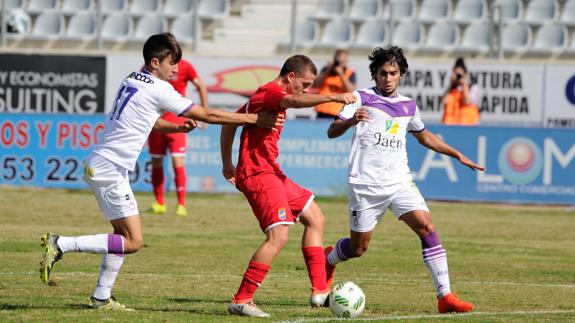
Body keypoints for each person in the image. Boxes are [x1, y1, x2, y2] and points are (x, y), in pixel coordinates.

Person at [39, 33, 282, 311]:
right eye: (172, 63)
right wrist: (254, 119)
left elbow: (149, 121)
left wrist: (177, 128)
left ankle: (101, 297)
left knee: (120, 235)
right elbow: (208, 115)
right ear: (155, 62)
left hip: (103, 164)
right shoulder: (159, 88)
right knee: (133, 241)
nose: (176, 70)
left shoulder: (132, 78)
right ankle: (61, 244)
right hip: (110, 168)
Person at [324, 46, 485, 314]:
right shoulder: (359, 97)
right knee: (358, 247)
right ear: (374, 74)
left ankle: (445, 296)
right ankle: (329, 258)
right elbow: (331, 130)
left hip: (399, 182)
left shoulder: (409, 105)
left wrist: (457, 155)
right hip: (365, 184)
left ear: (401, 75)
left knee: (426, 226)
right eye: (383, 73)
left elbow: (424, 136)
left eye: (393, 73)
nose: (387, 78)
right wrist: (351, 121)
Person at [220, 55, 356, 318]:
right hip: (258, 173)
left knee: (315, 217)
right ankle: (242, 299)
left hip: (271, 171)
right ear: (290, 76)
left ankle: (319, 291)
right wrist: (333, 97)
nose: (306, 90)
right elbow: (294, 101)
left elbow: (229, 123)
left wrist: (227, 164)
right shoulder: (271, 92)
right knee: (279, 235)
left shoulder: (264, 97)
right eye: (304, 84)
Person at [148, 58, 209, 217]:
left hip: (177, 120)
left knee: (177, 162)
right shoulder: (153, 65)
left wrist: (204, 112)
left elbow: (200, 85)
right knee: (156, 161)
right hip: (156, 121)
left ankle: (181, 204)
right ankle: (159, 202)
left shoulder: (186, 66)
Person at [312, 49, 357, 118]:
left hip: (339, 111)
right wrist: (328, 69)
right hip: (322, 110)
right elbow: (315, 84)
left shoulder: (350, 72)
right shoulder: (326, 70)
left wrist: (341, 73)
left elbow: (350, 90)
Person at [441, 57, 480, 125]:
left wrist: (464, 84)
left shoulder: (473, 87)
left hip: (467, 128)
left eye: (459, 75)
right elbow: (443, 102)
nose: (458, 77)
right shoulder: (451, 89)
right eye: (456, 74)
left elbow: (467, 101)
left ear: (465, 74)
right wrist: (451, 85)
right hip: (450, 127)